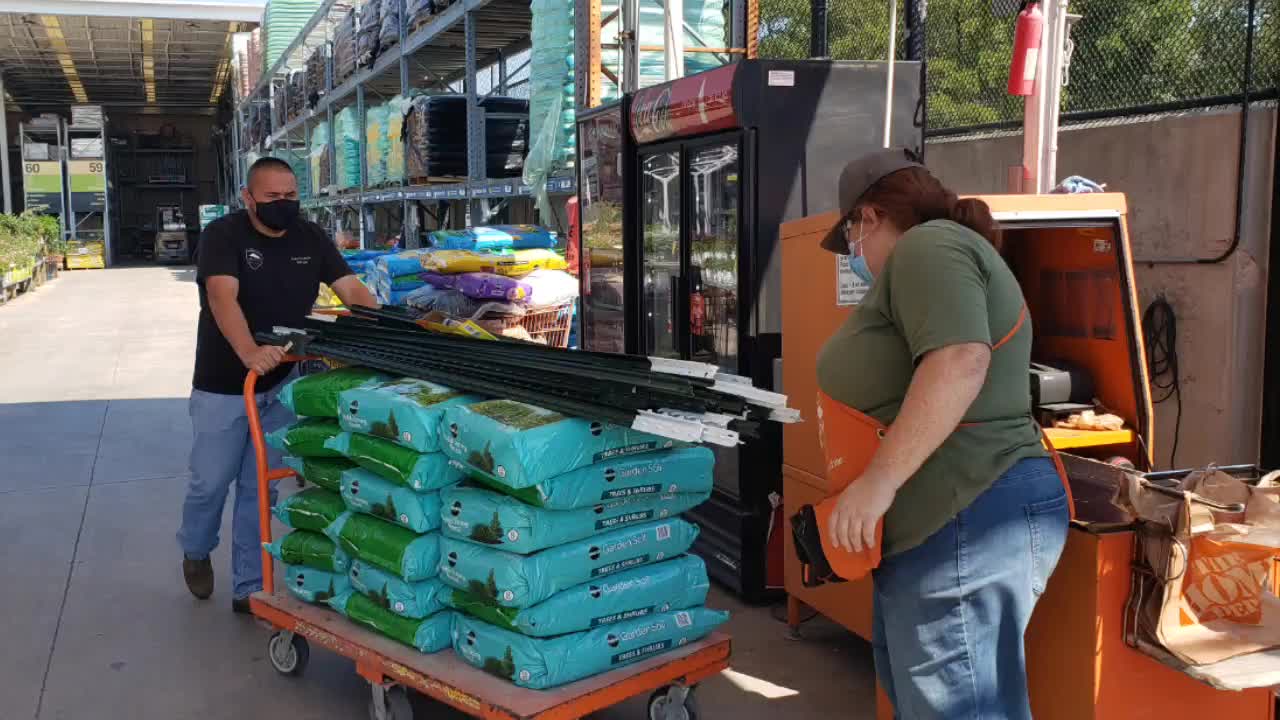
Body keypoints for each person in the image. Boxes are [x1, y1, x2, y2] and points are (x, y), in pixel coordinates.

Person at [815, 148, 1070, 718]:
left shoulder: (928, 246)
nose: (854, 255)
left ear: (871, 216)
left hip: (965, 511)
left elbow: (959, 359)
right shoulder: (929, 257)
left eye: (851, 236)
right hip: (943, 520)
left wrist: (878, 482)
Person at [178, 157, 377, 613]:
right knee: (210, 482)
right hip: (223, 384)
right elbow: (220, 297)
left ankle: (249, 586)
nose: (283, 205)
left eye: (290, 197)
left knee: (260, 487)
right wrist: (250, 351)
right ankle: (195, 549)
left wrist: (385, 328)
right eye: (272, 198)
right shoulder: (223, 236)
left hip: (281, 381)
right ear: (248, 198)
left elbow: (351, 288)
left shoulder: (310, 238)